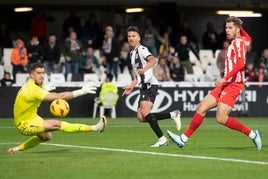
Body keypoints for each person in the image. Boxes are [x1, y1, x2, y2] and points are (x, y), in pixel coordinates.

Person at [167, 16, 262, 151]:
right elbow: (249, 39)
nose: (227, 30)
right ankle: (183, 139)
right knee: (201, 107)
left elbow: (241, 64)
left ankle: (253, 134)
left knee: (221, 118)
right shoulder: (240, 40)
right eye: (226, 28)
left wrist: (224, 78)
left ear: (236, 29)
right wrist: (241, 27)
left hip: (234, 84)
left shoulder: (238, 43)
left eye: (230, 28)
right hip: (226, 83)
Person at [8, 63, 108, 154]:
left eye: (43, 72)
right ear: (32, 75)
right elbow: (60, 97)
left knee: (47, 137)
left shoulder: (35, 83)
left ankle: (16, 149)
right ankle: (96, 128)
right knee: (57, 124)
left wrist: (44, 89)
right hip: (24, 124)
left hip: (33, 117)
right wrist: (81, 91)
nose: (42, 76)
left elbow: (35, 93)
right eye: (38, 73)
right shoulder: (32, 90)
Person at [123, 26, 181, 147]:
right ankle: (172, 115)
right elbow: (137, 75)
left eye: (134, 36)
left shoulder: (142, 49)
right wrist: (131, 86)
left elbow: (153, 60)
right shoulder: (132, 54)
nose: (131, 38)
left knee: (145, 111)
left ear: (139, 38)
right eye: (129, 36)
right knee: (141, 117)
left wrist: (144, 69)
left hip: (150, 84)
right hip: (143, 85)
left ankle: (162, 139)